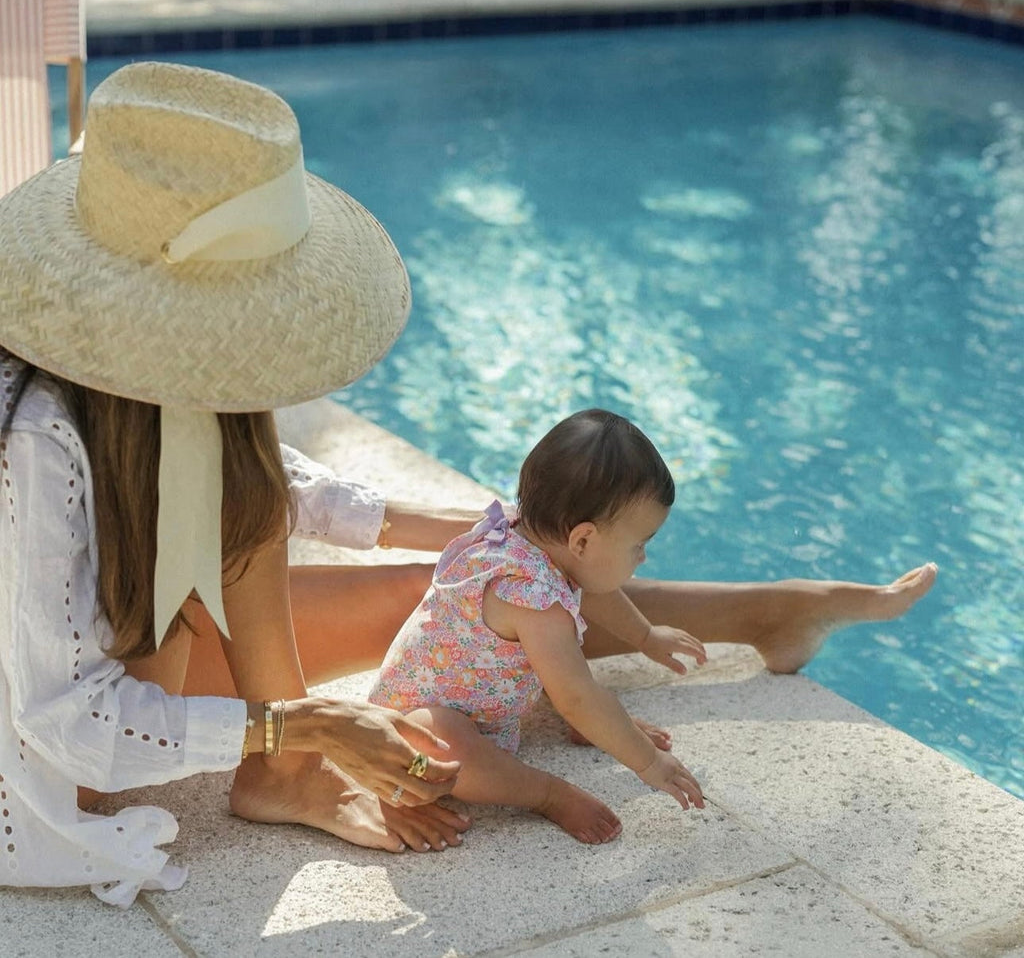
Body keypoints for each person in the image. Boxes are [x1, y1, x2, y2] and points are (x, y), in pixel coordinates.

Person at [0, 61, 937, 907]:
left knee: (470, 594)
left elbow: (269, 486)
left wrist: (488, 530)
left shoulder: (157, 389)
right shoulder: (37, 447)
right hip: (50, 729)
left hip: (130, 637)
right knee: (465, 594)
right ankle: (280, 772)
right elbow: (66, 725)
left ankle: (766, 613)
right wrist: (309, 725)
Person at [369, 410, 710, 843]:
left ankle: (601, 729)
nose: (642, 557)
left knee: (572, 678)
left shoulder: (529, 539)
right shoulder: (530, 596)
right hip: (413, 727)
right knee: (442, 744)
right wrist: (647, 762)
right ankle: (548, 794)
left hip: (477, 705)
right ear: (582, 540)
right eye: (639, 544)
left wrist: (645, 635)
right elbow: (578, 696)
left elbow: (596, 588)